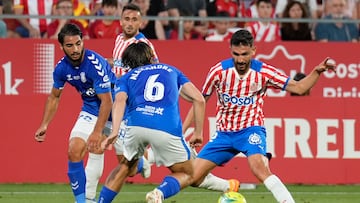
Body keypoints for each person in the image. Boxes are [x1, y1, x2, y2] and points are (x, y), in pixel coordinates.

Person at [183, 29, 336, 203]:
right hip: (224, 134)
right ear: (230, 50)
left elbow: (299, 88)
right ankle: (229, 186)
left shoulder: (264, 72)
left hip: (251, 130)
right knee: (193, 178)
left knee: (259, 169)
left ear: (253, 50)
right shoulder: (218, 72)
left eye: (245, 54)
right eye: (236, 54)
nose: (240, 59)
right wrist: (187, 130)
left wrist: (316, 71)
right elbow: (199, 101)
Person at [97, 41, 206, 203]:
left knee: (125, 167)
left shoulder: (126, 78)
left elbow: (119, 101)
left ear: (128, 63)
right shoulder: (170, 70)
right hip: (166, 127)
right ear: (151, 57)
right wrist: (198, 132)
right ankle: (159, 194)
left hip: (136, 127)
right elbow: (199, 99)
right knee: (189, 173)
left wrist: (114, 131)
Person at [34, 23, 115, 203]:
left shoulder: (94, 64)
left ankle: (141, 163)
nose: (75, 49)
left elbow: (107, 101)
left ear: (82, 41)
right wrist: (44, 124)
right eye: (70, 45)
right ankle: (83, 201)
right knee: (74, 150)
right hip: (90, 108)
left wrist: (96, 131)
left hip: (116, 111)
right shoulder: (61, 68)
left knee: (127, 160)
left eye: (78, 43)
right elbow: (54, 97)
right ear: (61, 47)